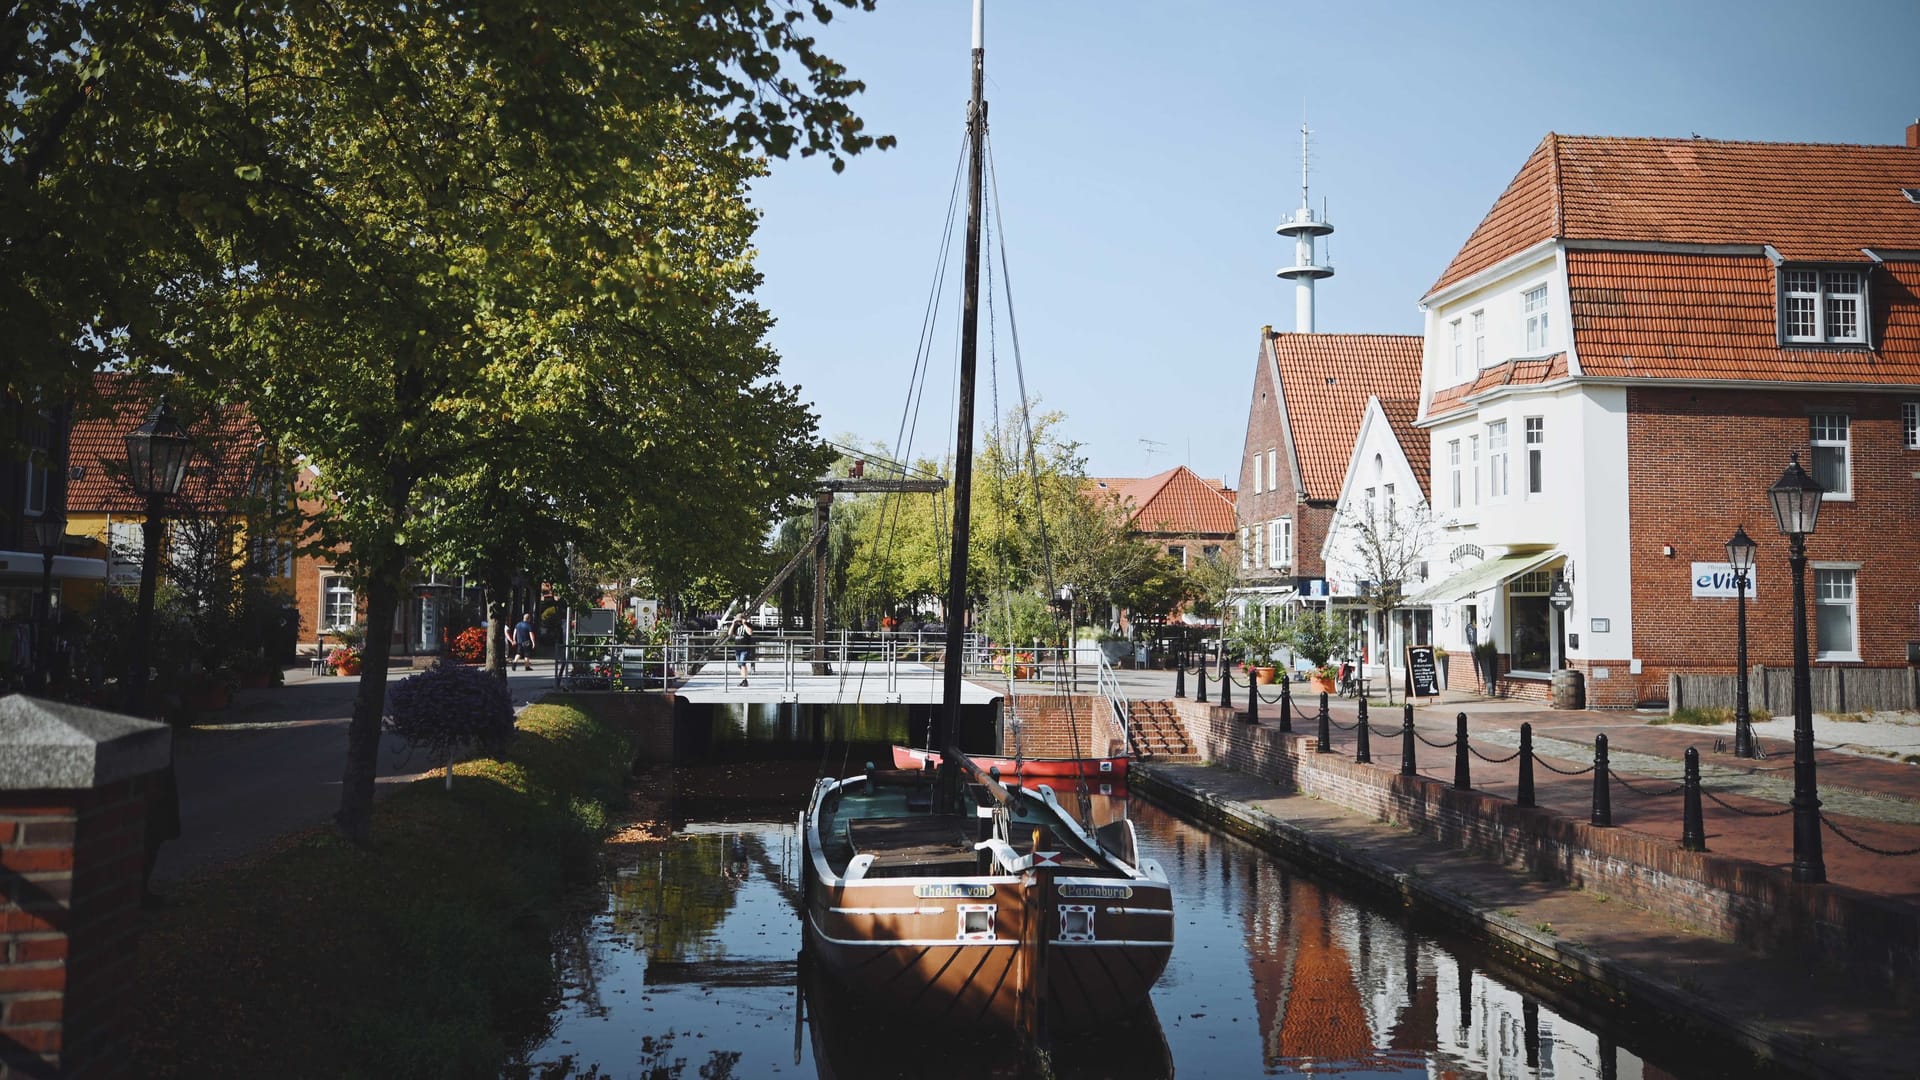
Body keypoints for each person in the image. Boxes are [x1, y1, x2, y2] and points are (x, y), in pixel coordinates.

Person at [730, 615, 753, 686]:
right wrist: (733, 624)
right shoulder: (736, 626)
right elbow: (729, 633)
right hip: (737, 648)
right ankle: (743, 679)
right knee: (739, 665)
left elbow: (750, 633)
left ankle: (745, 680)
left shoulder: (748, 625)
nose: (739, 621)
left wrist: (744, 624)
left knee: (742, 664)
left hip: (745, 647)